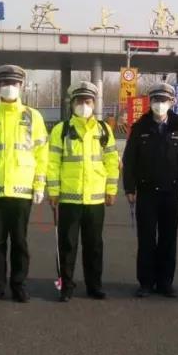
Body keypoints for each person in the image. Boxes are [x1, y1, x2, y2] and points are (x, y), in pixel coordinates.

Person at [0, 65, 48, 303]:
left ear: (21, 86)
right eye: (4, 83)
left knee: (20, 241)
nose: (9, 87)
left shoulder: (33, 116)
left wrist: (39, 185)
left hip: (22, 190)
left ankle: (18, 285)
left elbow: (41, 154)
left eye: (13, 83)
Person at [46, 81, 120, 301]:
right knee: (67, 245)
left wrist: (111, 189)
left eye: (87, 101)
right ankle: (66, 287)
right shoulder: (61, 130)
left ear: (94, 103)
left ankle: (94, 286)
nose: (83, 105)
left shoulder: (104, 130)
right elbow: (53, 163)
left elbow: (111, 162)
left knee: (94, 245)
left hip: (95, 200)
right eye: (79, 101)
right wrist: (53, 191)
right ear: (72, 104)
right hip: (69, 199)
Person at [122, 82, 178, 298]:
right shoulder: (140, 128)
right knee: (146, 240)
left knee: (168, 240)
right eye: (156, 100)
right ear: (150, 102)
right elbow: (129, 160)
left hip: (171, 193)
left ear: (172, 102)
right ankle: (145, 282)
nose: (159, 104)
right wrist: (129, 188)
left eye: (164, 100)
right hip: (146, 192)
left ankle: (165, 282)